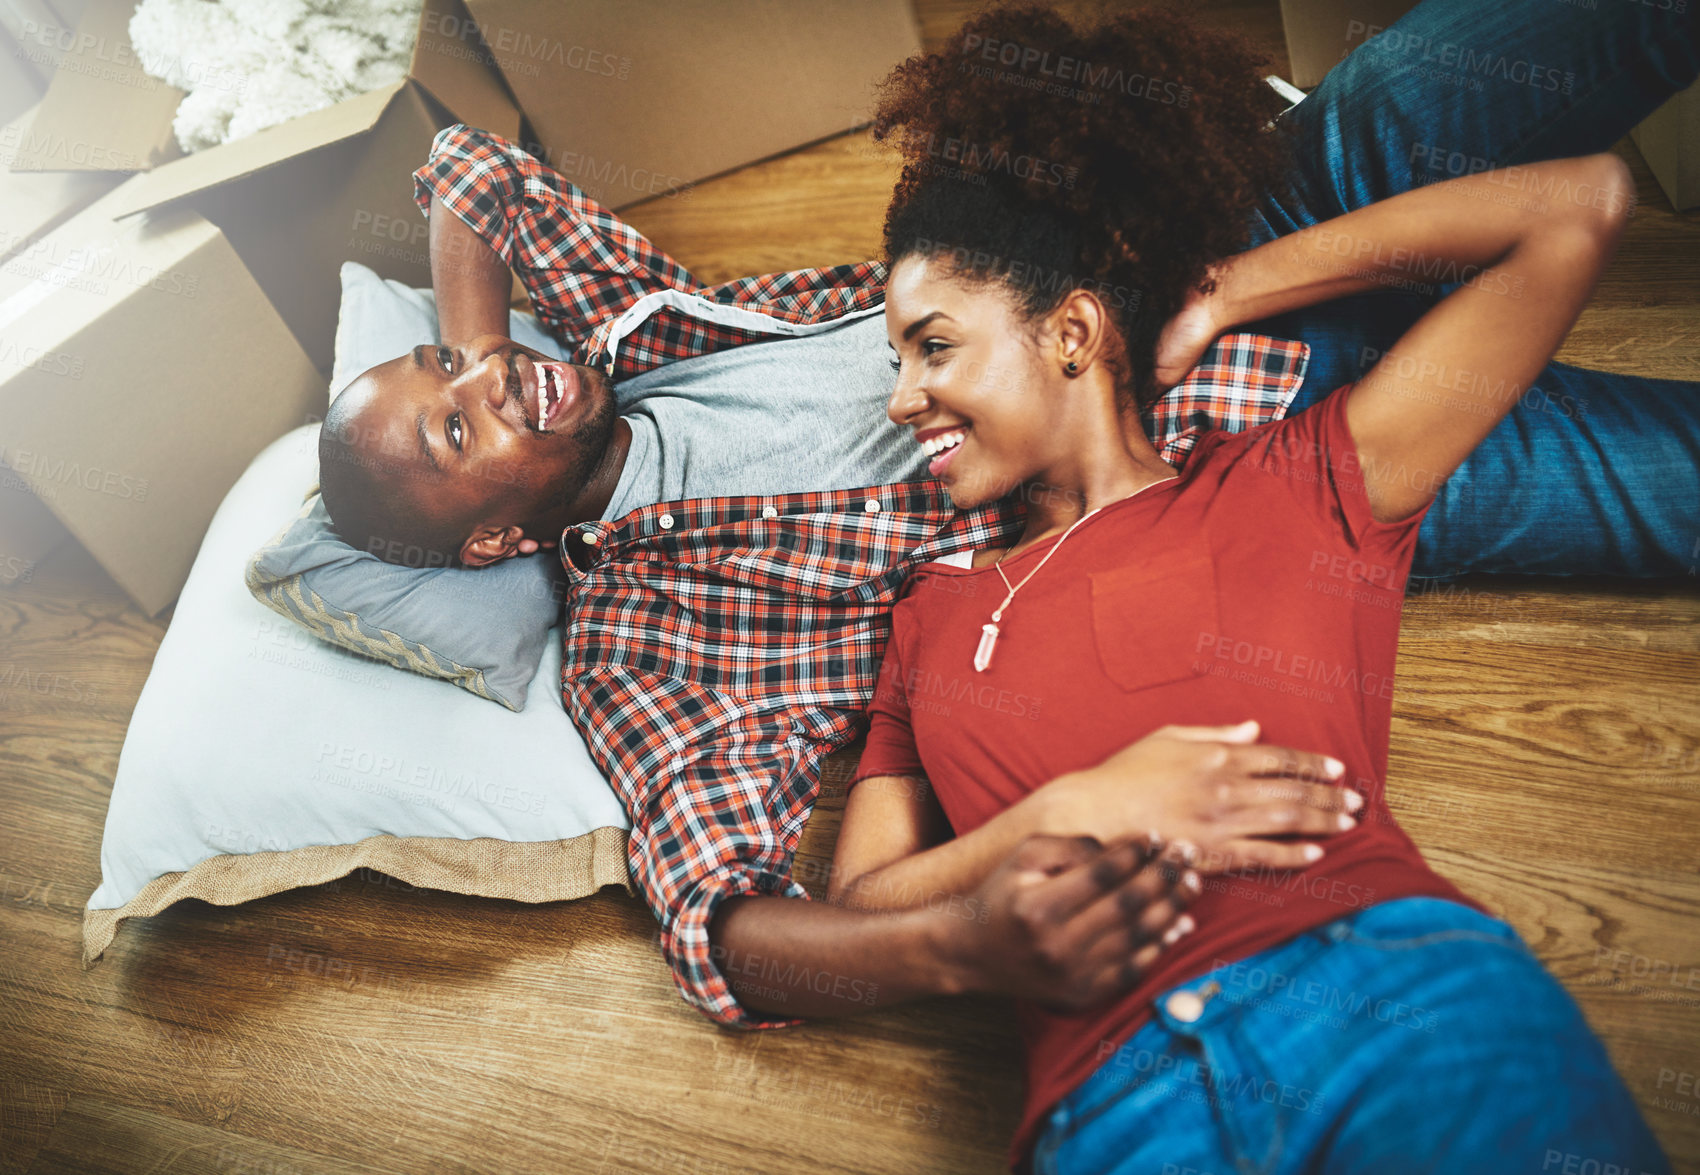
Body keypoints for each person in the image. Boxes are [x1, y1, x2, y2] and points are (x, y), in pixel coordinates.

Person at [309, 0, 1696, 1141]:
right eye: (455, 426)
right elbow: (734, 931)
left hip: (1246, 237)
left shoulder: (634, 328)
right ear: (493, 539)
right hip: (1314, 463)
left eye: (450, 358)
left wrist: (1225, 295)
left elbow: (471, 176)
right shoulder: (648, 643)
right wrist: (968, 932)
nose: (490, 378)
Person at [825, 5, 1675, 1172]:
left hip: (1396, 1010)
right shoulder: (927, 611)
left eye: (931, 346)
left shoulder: (1297, 483)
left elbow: (1579, 205)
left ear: (1070, 330)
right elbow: (861, 908)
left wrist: (1221, 292)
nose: (898, 401)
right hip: (1114, 1107)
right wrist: (1069, 812)